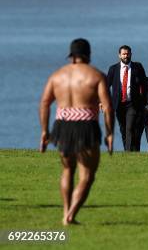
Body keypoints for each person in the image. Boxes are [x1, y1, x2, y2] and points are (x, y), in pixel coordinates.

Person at [39, 38, 113, 225]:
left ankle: (66, 211)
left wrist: (44, 131)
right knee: (87, 175)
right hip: (86, 126)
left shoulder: (57, 76)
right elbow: (107, 106)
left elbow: (45, 103)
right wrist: (109, 133)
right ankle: (70, 215)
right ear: (88, 55)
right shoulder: (95, 75)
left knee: (67, 170)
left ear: (71, 56)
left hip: (62, 126)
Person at [106, 45, 147, 151]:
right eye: (124, 54)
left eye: (128, 54)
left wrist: (144, 102)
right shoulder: (113, 69)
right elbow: (106, 86)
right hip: (118, 104)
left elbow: (144, 85)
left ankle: (129, 152)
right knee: (123, 129)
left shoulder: (137, 67)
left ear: (131, 54)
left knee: (129, 127)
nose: (126, 56)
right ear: (119, 55)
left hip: (132, 104)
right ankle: (127, 150)